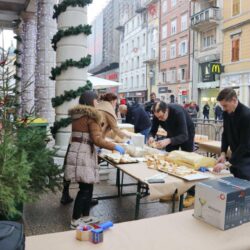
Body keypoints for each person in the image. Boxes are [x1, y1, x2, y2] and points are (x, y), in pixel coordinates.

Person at [63, 90, 125, 228]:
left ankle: (85, 216)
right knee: (85, 189)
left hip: (78, 150)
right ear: (91, 101)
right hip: (84, 154)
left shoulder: (78, 115)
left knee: (88, 186)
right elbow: (97, 139)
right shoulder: (92, 116)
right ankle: (75, 220)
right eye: (96, 100)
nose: (98, 103)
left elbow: (88, 136)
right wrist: (114, 146)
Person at [148, 101, 195, 207]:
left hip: (186, 133)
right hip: (172, 133)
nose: (159, 119)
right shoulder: (158, 114)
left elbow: (184, 135)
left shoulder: (178, 112)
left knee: (186, 164)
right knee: (169, 162)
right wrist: (151, 137)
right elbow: (152, 130)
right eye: (157, 117)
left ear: (167, 111)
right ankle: (174, 192)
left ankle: (191, 194)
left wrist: (168, 140)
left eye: (161, 117)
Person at [213, 88, 250, 181]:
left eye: (225, 106)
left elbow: (245, 145)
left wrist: (226, 164)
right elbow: (225, 134)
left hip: (246, 160)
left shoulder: (246, 115)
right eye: (222, 106)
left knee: (244, 188)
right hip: (235, 156)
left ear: (233, 100)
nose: (224, 109)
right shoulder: (226, 113)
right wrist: (223, 153)